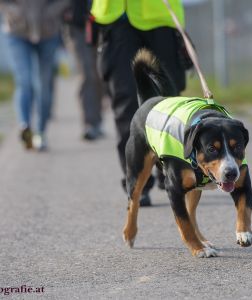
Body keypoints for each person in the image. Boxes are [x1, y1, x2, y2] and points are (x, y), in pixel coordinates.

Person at [91, 0, 186, 205]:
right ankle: (136, 181)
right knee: (125, 102)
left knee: (169, 98)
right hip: (115, 18)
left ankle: (170, 169)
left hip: (159, 17)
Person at [0, 0, 69, 150]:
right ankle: (24, 126)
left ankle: (40, 132)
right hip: (17, 31)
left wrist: (49, 13)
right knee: (24, 81)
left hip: (48, 32)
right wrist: (14, 12)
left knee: (44, 86)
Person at [65, 0, 105, 141]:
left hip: (102, 23)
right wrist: (65, 10)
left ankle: (98, 119)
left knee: (100, 74)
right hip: (78, 27)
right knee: (87, 75)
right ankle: (90, 123)